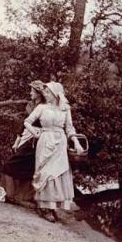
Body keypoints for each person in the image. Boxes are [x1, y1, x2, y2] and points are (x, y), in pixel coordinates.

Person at [24, 81, 84, 222]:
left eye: (48, 92)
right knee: (45, 173)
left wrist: (76, 143)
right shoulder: (41, 107)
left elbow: (69, 128)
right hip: (45, 141)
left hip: (60, 143)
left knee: (56, 174)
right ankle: (43, 207)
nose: (45, 94)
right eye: (45, 92)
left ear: (56, 94)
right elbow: (27, 121)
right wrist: (35, 132)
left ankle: (52, 207)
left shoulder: (65, 109)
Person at [0, 80, 45, 204]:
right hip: (26, 136)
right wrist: (17, 140)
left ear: (39, 93)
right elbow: (23, 124)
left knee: (29, 167)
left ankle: (22, 196)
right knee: (14, 163)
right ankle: (10, 194)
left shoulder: (45, 108)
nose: (30, 93)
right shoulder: (30, 105)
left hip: (37, 138)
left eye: (32, 91)